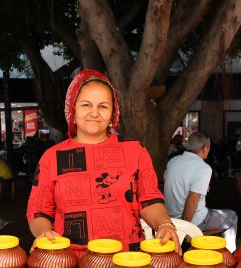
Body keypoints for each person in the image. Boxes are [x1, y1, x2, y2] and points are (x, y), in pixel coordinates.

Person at [26, 69, 180, 257]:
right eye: (86, 105)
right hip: (70, 262)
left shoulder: (134, 150)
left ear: (112, 114)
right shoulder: (52, 157)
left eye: (103, 106)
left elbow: (149, 199)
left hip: (127, 261)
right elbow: (39, 212)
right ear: (73, 110)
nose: (94, 113)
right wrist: (44, 233)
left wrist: (165, 224)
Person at [164, 132, 238, 252]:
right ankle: (228, 256)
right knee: (232, 216)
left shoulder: (173, 161)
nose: (209, 150)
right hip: (191, 221)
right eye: (209, 147)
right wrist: (185, 228)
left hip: (170, 217)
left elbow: (173, 182)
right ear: (204, 149)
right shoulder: (203, 168)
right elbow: (192, 200)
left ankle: (196, 238)